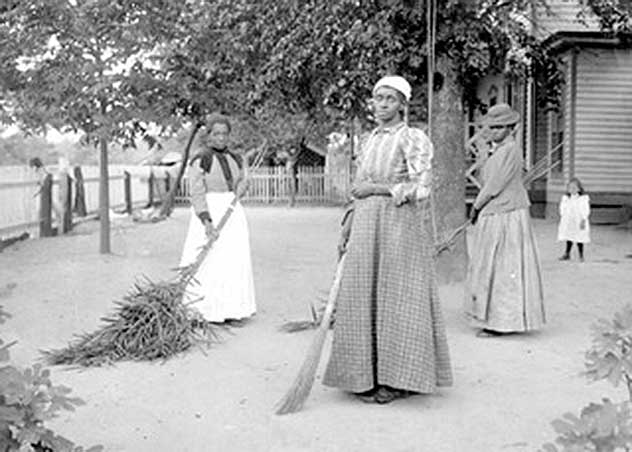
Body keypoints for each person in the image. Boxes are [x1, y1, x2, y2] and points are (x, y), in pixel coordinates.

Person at [323, 75, 453, 404]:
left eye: (389, 99)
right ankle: (365, 374)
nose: (381, 105)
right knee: (363, 295)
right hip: (366, 224)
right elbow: (358, 187)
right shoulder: (368, 140)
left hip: (398, 226)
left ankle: (398, 379)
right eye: (377, 98)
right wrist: (349, 223)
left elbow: (423, 188)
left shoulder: (412, 138)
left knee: (397, 299)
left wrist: (379, 190)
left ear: (402, 104)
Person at [465, 103, 545, 337]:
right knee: (491, 264)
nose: (495, 131)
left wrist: (476, 206)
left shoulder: (510, 150)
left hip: (507, 213)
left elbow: (494, 185)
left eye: (500, 127)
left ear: (511, 128)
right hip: (496, 211)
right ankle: (492, 317)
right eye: (491, 127)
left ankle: (502, 322)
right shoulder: (497, 150)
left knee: (503, 265)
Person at [178, 114, 256, 324]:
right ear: (209, 135)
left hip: (232, 212)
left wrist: (242, 187)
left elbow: (238, 185)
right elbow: (196, 191)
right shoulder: (200, 158)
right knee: (210, 260)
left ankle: (232, 309)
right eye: (216, 134)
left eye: (224, 134)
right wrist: (206, 221)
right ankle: (205, 311)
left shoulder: (236, 158)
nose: (221, 138)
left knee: (232, 259)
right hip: (209, 212)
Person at [558, 178, 590, 262]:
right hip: (569, 221)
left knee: (580, 238)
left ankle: (581, 255)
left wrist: (583, 219)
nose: (572, 190)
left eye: (574, 188)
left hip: (578, 221)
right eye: (570, 188)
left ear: (579, 189)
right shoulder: (566, 198)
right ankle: (567, 253)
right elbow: (562, 208)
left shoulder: (583, 199)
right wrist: (563, 216)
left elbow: (585, 209)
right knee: (569, 237)